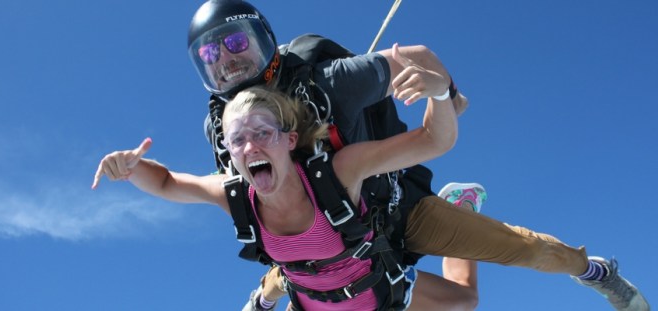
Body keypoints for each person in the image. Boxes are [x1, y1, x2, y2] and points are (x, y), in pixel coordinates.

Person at [93, 84, 648, 311]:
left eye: (262, 132)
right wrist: (135, 169)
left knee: (526, 251)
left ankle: (592, 269)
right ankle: (270, 290)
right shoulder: (237, 188)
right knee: (466, 303)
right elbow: (165, 183)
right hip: (358, 295)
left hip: (374, 251)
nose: (249, 146)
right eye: (237, 141)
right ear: (230, 154)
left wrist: (437, 92)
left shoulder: (336, 172)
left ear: (289, 140)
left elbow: (432, 141)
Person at [186, 1, 483, 309]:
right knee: (465, 300)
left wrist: (449, 96)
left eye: (236, 41)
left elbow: (417, 57)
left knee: (474, 290)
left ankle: (456, 210)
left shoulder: (331, 83)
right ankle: (457, 208)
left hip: (341, 229)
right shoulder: (221, 132)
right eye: (208, 53)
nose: (224, 57)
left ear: (262, 38)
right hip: (348, 258)